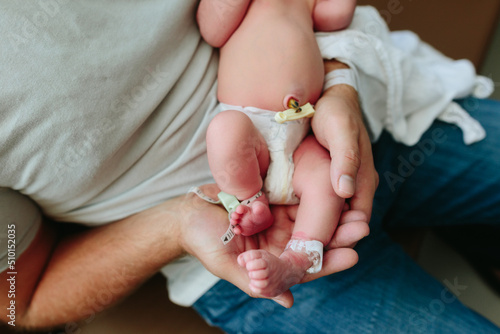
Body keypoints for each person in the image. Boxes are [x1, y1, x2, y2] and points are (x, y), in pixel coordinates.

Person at [0, 2, 499, 334]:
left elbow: (336, 15)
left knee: (324, 182)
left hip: (359, 118)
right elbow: (21, 298)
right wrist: (177, 223)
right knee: (229, 134)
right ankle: (270, 224)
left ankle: (310, 244)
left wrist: (338, 80)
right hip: (235, 247)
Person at [197, 0, 358, 297]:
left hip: (303, 131)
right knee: (224, 131)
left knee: (327, 175)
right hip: (249, 130)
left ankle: (299, 257)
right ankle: (250, 201)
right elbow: (212, 30)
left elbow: (334, 16)